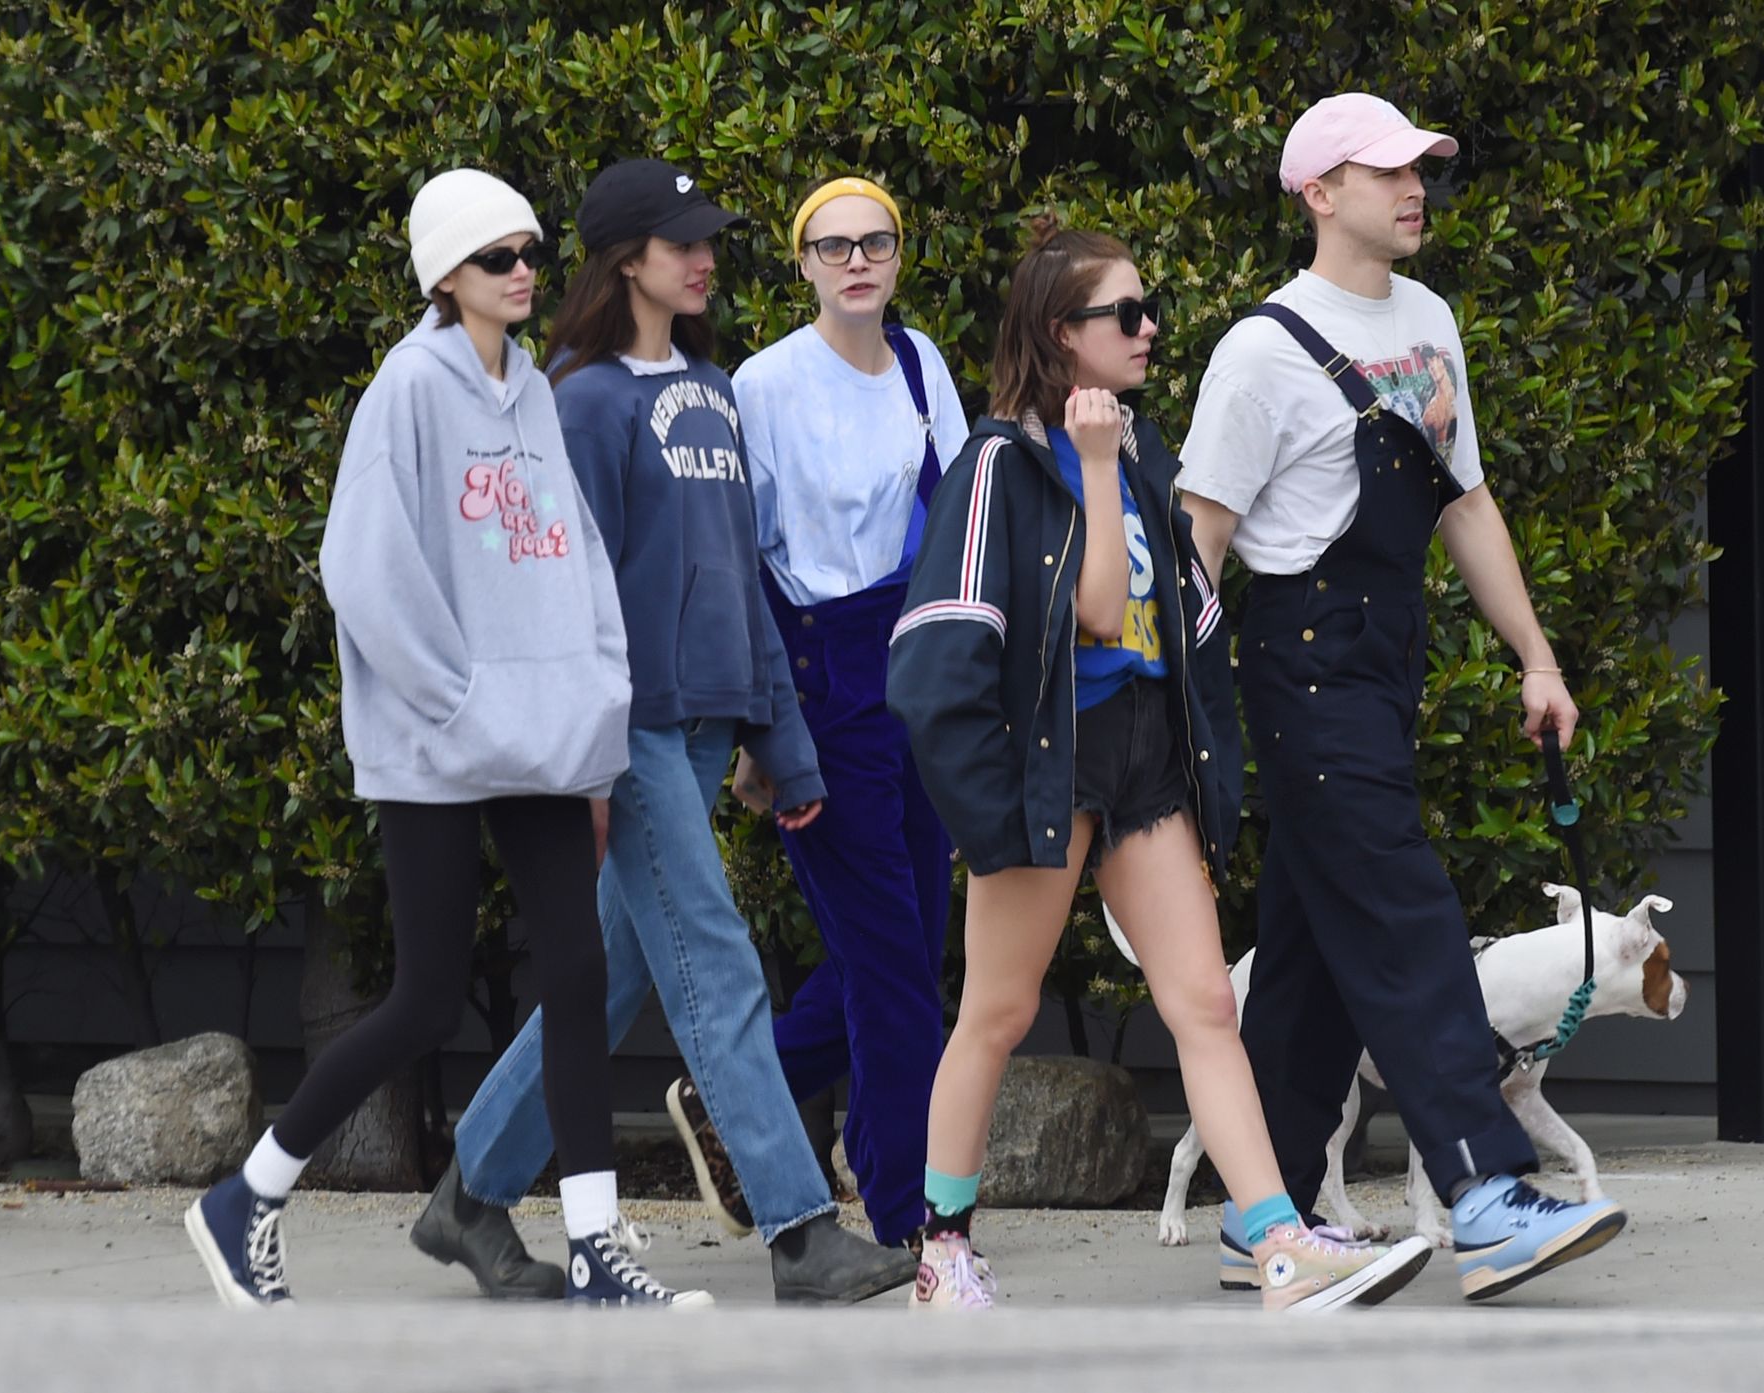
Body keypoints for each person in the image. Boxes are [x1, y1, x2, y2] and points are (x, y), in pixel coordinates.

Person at [885, 218, 1433, 1312]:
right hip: (1047, 766)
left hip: (1143, 757)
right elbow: (1074, 616)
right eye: (1125, 313)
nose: (1148, 330)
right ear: (1062, 332)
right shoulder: (1002, 462)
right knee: (997, 1010)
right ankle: (941, 1248)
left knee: (1206, 1005)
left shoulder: (1142, 453)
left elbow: (1181, 619)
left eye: (1149, 310)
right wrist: (1093, 466)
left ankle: (1276, 1243)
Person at [186, 168, 706, 1308]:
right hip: (437, 739)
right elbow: (362, 568)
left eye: (529, 253)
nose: (523, 273)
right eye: (496, 258)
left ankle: (595, 1247)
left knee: (578, 971)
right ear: (444, 277)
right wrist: (459, 699)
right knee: (425, 997)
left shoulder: (533, 390)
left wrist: (596, 695)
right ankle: (247, 1196)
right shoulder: (409, 389)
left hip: (542, 736)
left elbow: (576, 559)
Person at [409, 159, 919, 1306]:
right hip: (625, 727)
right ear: (625, 259)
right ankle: (799, 1229)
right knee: (718, 959)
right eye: (681, 242)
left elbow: (739, 577)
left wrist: (780, 742)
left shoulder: (710, 388)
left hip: (701, 726)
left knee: (615, 976)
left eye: (708, 240)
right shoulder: (580, 401)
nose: (704, 258)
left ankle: (467, 1195)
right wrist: (582, 757)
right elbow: (557, 591)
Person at [1176, 93, 1627, 1303]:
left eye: (1421, 167)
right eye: (1386, 172)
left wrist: (1537, 657)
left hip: (1387, 664)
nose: (1415, 186)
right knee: (1405, 909)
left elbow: (1465, 502)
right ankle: (1487, 1192)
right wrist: (1183, 718)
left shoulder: (1428, 320)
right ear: (1319, 194)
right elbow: (1198, 540)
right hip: (1302, 664)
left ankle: (1259, 1210)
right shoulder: (1261, 351)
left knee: (1318, 945)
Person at [692, 174, 969, 1253]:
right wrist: (769, 726)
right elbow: (742, 560)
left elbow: (955, 517)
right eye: (834, 245)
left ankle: (733, 1096)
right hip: (822, 675)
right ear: (802, 262)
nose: (858, 262)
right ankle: (906, 1214)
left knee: (902, 948)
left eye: (876, 242)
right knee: (892, 968)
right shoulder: (763, 384)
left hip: (917, 671)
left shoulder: (921, 361)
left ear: (900, 254)